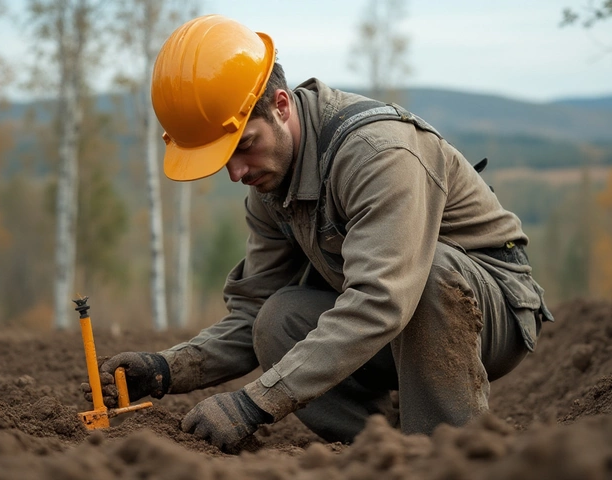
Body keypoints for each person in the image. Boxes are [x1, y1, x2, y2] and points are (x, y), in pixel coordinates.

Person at [82, 14, 553, 450]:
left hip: (489, 313)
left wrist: (254, 403)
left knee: (425, 274)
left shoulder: (377, 154)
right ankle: (382, 447)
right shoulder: (269, 184)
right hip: (394, 323)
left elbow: (380, 299)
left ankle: (452, 454)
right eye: (223, 160)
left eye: (244, 146)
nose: (237, 173)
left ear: (281, 105)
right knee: (277, 316)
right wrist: (168, 369)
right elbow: (251, 313)